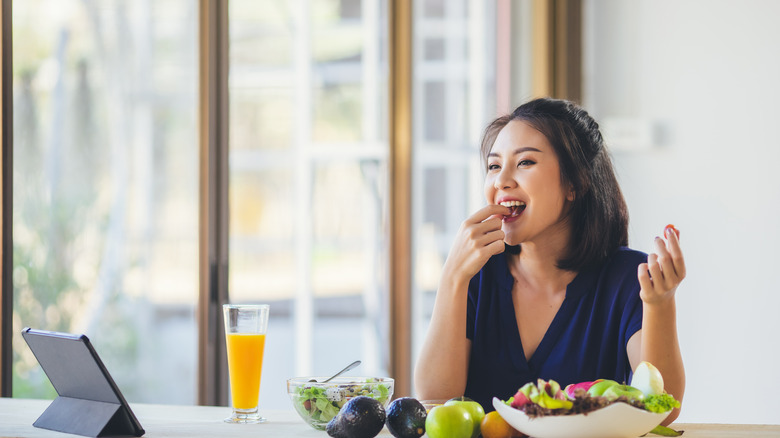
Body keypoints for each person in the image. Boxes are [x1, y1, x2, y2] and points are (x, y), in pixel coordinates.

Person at [413, 98, 685, 425]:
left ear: (575, 183)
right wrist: (452, 278)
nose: (501, 181)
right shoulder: (476, 274)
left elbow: (661, 412)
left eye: (525, 162)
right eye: (494, 166)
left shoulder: (628, 279)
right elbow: (434, 402)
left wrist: (660, 303)